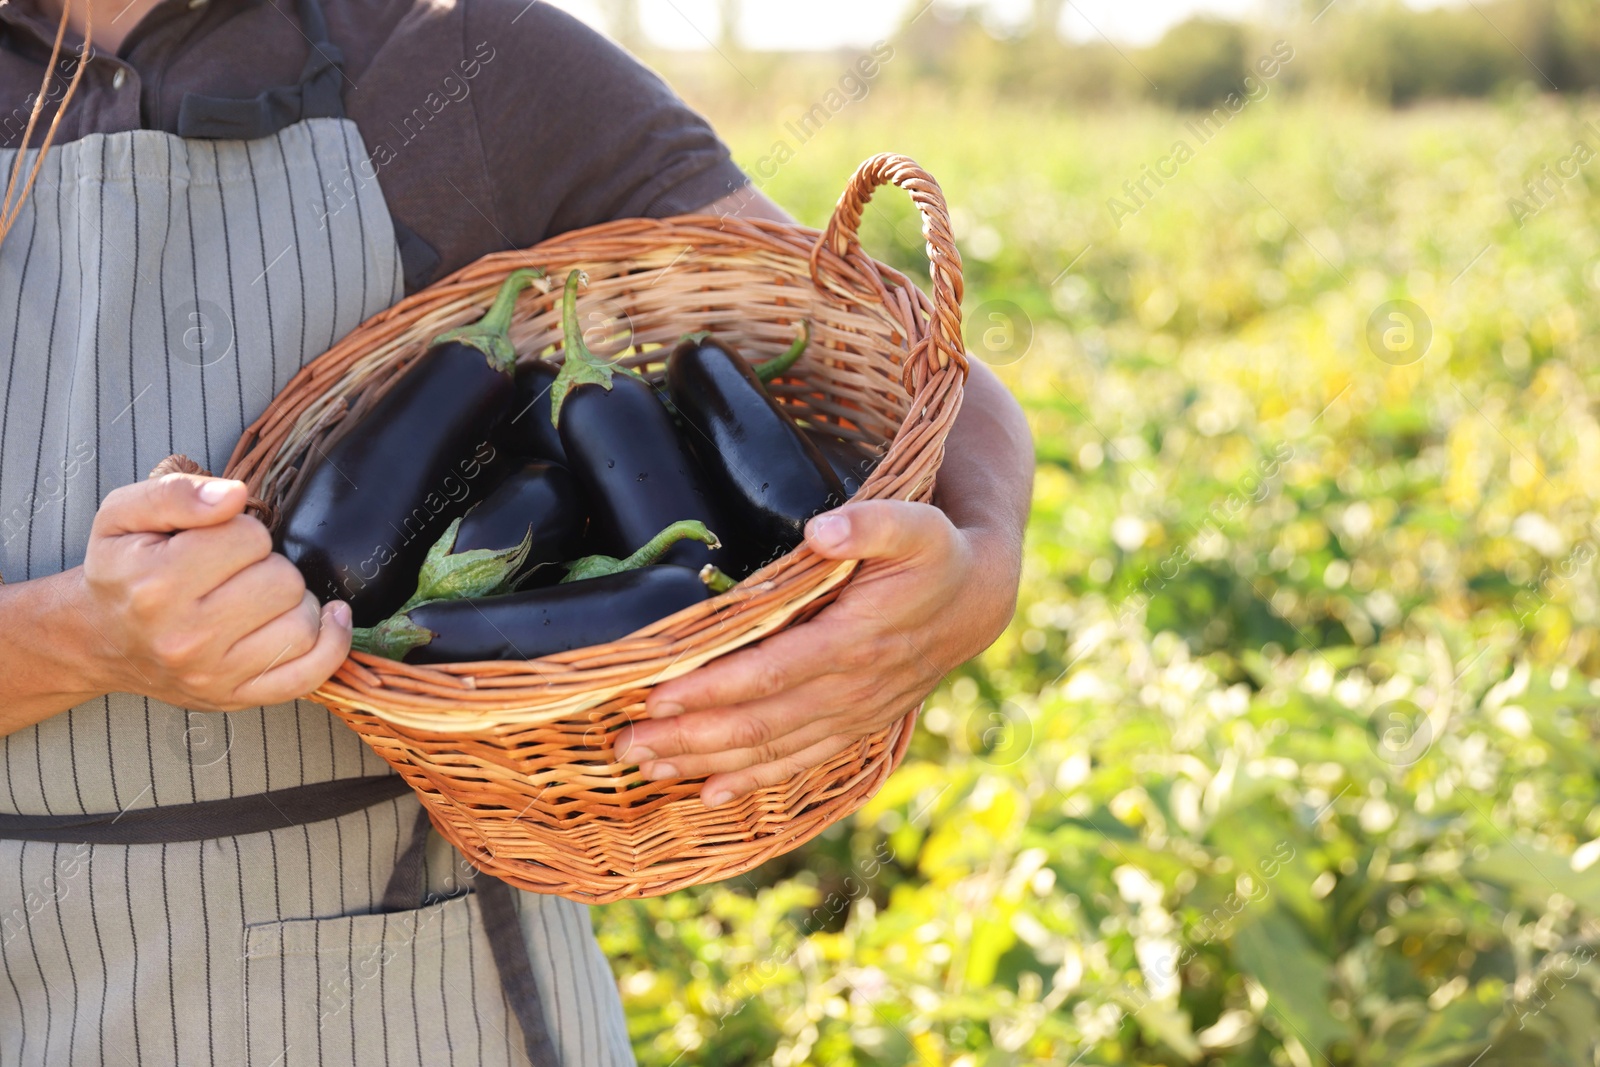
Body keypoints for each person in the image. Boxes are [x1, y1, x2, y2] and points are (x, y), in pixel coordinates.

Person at [0, 0, 1034, 1062]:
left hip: (419, 1011)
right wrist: (81, 634)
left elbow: (888, 347)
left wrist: (982, 570)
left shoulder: (462, 55)